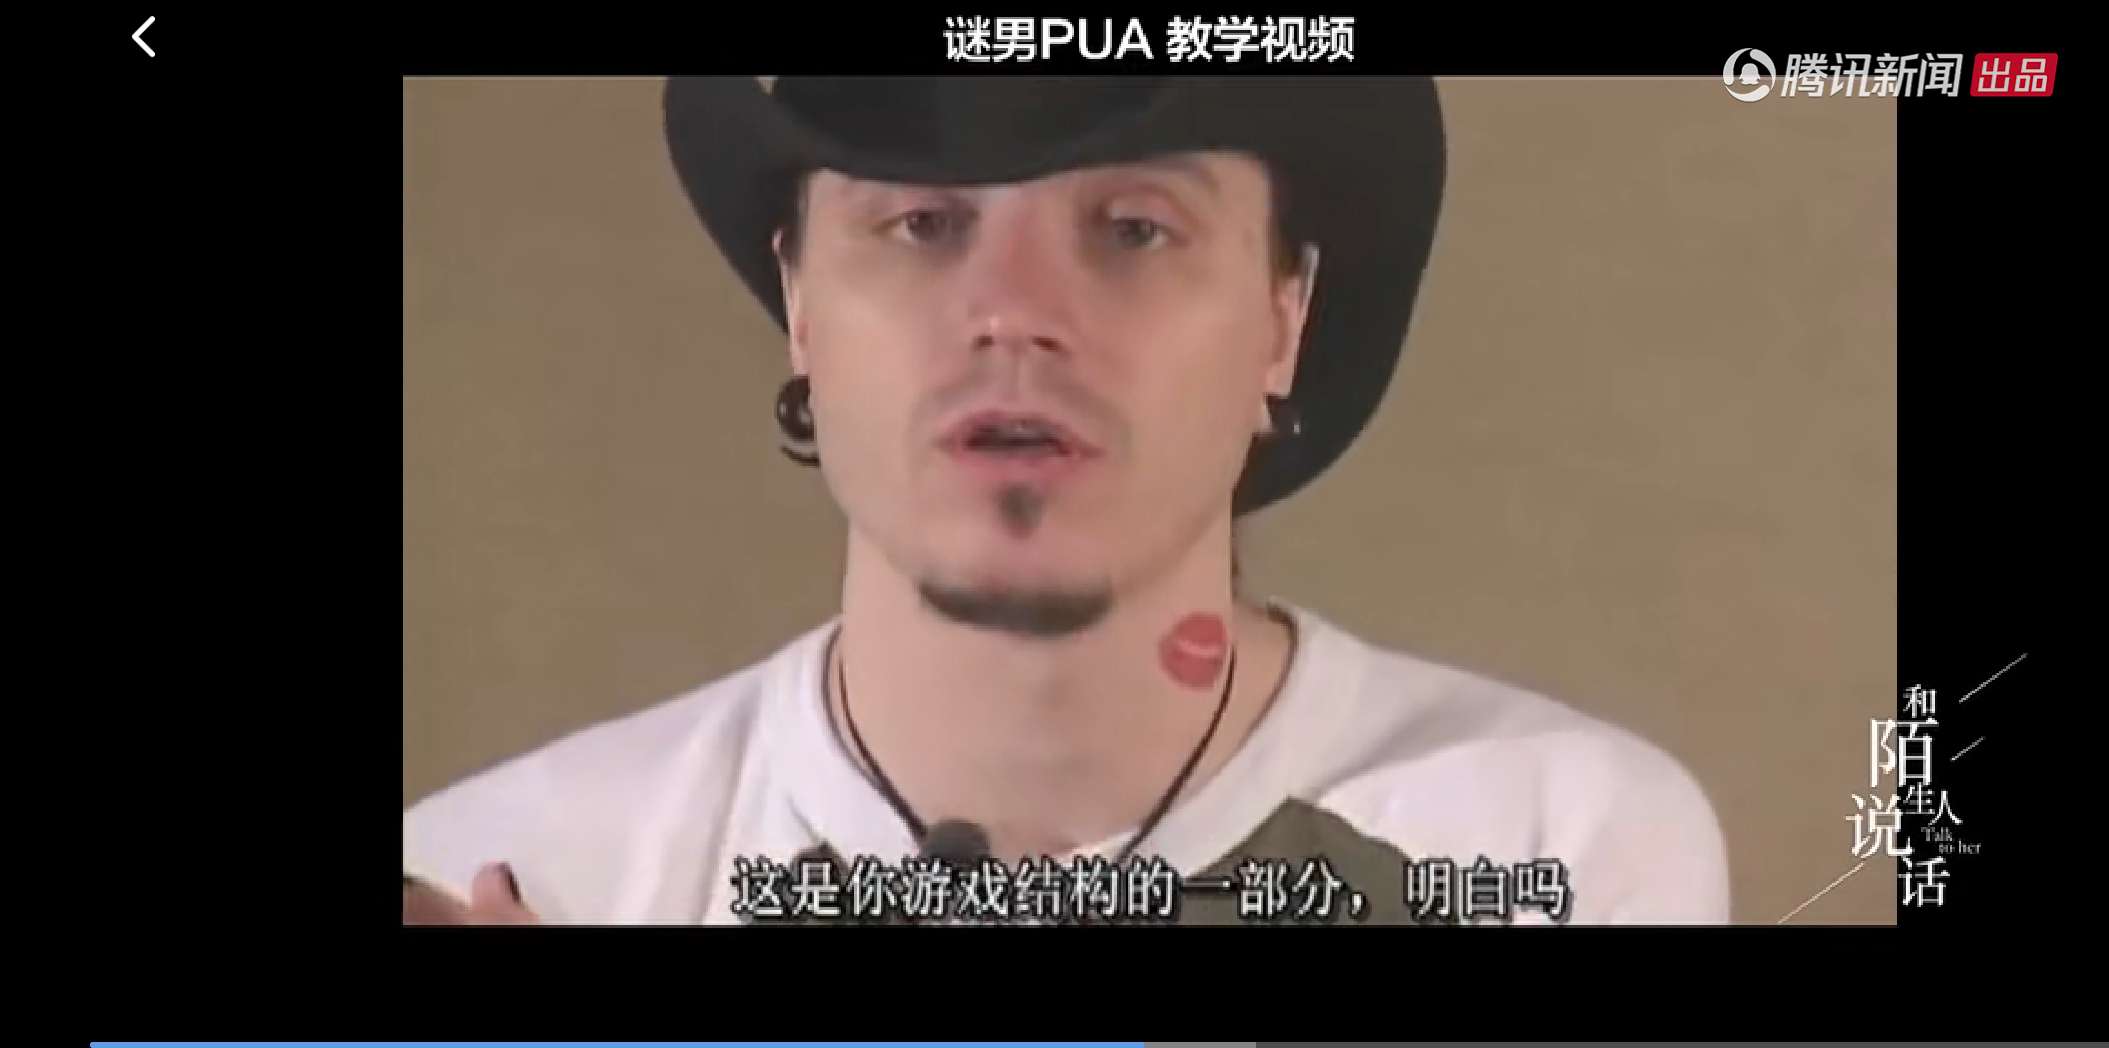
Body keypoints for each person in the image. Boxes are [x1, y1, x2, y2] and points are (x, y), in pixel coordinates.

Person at [402, 76, 1730, 925]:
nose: (1015, 314)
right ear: (800, 299)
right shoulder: (501, 875)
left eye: (1134, 227)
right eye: (924, 224)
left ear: (1285, 317)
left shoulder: (1554, 852)